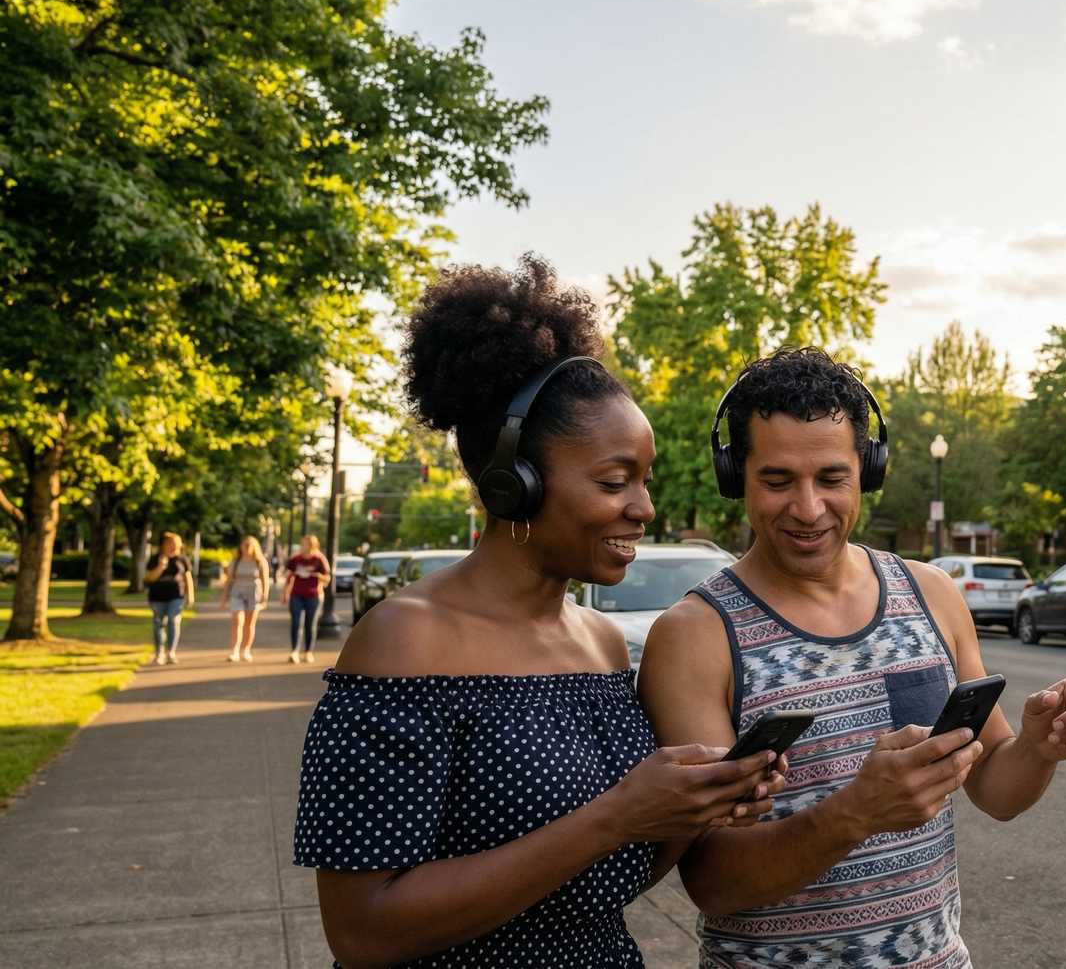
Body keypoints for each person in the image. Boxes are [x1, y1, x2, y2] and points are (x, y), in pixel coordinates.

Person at [293, 254, 786, 967]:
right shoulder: (403, 642)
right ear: (514, 482)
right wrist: (614, 814)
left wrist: (690, 808)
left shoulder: (601, 643)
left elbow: (604, 880)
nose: (644, 507)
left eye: (643, 480)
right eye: (616, 480)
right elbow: (364, 929)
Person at [639, 347, 1066, 968]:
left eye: (832, 478)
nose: (809, 508)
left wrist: (1038, 747)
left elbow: (998, 790)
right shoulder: (695, 636)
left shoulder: (933, 595)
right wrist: (855, 813)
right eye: (778, 480)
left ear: (866, 471)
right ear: (736, 477)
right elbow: (711, 881)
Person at [143, 532, 196, 666]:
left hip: (176, 596)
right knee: (159, 624)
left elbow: (188, 578)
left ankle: (171, 652)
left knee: (173, 621)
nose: (173, 546)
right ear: (164, 545)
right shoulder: (155, 559)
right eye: (170, 543)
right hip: (157, 596)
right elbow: (149, 578)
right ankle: (159, 653)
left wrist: (191, 595)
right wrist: (161, 567)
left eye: (175, 543)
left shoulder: (182, 559)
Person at [218, 534, 272, 662]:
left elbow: (265, 581)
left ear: (255, 547)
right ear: (241, 546)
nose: (247, 547)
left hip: (254, 595)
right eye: (245, 544)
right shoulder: (236, 561)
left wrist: (265, 598)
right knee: (237, 621)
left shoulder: (260, 561)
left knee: (249, 624)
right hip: (237, 594)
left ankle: (246, 650)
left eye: (249, 545)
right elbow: (229, 580)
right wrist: (224, 598)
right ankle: (235, 651)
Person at [283, 535, 330, 664]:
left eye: (306, 544)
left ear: (313, 545)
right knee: (296, 623)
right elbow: (288, 577)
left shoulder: (319, 559)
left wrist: (318, 576)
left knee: (310, 624)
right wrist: (285, 594)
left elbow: (327, 578)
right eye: (302, 544)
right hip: (296, 594)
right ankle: (294, 651)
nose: (304, 546)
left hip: (314, 596)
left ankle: (308, 652)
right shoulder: (296, 559)